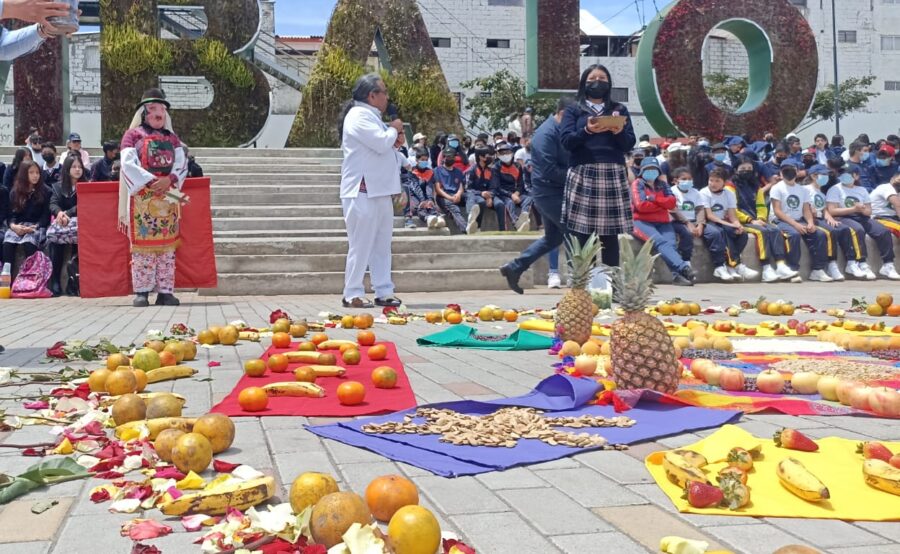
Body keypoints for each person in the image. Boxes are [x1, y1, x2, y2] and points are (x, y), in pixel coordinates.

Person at [337, 74, 405, 308]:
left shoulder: (372, 117)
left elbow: (386, 148)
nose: (387, 97)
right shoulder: (358, 115)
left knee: (382, 244)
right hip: (361, 191)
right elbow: (380, 142)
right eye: (384, 92)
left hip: (379, 191)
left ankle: (383, 290)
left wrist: (394, 136)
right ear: (372, 95)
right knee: (361, 244)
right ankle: (352, 292)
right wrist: (394, 129)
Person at [559, 64, 636, 267]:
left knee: (610, 234)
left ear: (609, 84)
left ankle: (612, 286)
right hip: (583, 171)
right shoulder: (574, 109)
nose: (597, 82)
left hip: (612, 171)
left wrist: (617, 129)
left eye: (602, 79)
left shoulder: (619, 109)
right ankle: (586, 287)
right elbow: (566, 141)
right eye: (592, 79)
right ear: (584, 83)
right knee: (583, 233)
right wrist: (587, 130)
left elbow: (629, 143)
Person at [120, 88, 189, 307]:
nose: (159, 113)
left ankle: (165, 291)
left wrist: (170, 180)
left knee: (167, 248)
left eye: (162, 109)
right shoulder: (133, 136)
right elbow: (127, 163)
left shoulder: (173, 138)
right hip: (143, 196)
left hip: (168, 195)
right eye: (153, 109)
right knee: (142, 249)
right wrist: (151, 181)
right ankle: (142, 291)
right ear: (144, 112)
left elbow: (182, 163)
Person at [500, 97, 576, 293]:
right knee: (574, 232)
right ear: (562, 114)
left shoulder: (558, 130)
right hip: (548, 193)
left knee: (552, 239)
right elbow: (550, 170)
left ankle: (515, 267)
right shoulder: (546, 134)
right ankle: (580, 282)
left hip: (554, 192)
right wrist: (577, 176)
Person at [826, 164, 899, 280]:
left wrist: (862, 209)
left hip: (861, 216)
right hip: (843, 217)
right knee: (858, 229)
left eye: (847, 174)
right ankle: (861, 262)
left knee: (883, 231)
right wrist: (853, 209)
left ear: (856, 176)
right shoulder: (835, 189)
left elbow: (869, 211)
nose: (843, 176)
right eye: (842, 174)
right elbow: (832, 210)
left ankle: (888, 264)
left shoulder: (861, 190)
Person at [629, 157, 694, 286]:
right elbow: (641, 205)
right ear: (642, 171)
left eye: (654, 169)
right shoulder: (638, 183)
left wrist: (653, 199)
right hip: (641, 221)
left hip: (662, 221)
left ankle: (677, 277)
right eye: (648, 169)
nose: (651, 172)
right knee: (660, 241)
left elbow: (672, 203)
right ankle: (683, 268)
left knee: (671, 244)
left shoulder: (662, 184)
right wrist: (662, 203)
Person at [733, 158, 799, 283]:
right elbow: (732, 209)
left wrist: (761, 218)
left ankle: (780, 265)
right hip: (740, 221)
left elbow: (761, 205)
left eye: (749, 169)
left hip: (757, 220)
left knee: (775, 230)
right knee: (761, 233)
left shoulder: (756, 186)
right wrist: (750, 220)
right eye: (743, 169)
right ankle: (766, 268)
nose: (746, 171)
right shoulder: (731, 186)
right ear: (736, 170)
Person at [769, 162, 832, 282]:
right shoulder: (777, 188)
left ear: (797, 172)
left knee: (819, 234)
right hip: (780, 220)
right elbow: (777, 211)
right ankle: (792, 269)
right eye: (786, 170)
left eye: (793, 169)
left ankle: (817, 270)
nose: (790, 172)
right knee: (794, 234)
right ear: (781, 173)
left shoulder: (802, 190)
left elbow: (806, 209)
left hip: (799, 220)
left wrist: (810, 223)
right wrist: (795, 224)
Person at [2, 161, 50, 281]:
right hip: (18, 226)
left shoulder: (46, 191)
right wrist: (14, 226)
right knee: (7, 243)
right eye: (31, 172)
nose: (35, 176)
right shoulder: (15, 191)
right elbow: (11, 215)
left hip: (36, 226)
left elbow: (45, 216)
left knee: (29, 242)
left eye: (37, 172)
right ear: (24, 174)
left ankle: (32, 280)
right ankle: (7, 280)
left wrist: (35, 227)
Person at [700, 167, 749, 282]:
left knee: (742, 234)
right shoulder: (704, 193)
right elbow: (710, 216)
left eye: (717, 181)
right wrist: (729, 225)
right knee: (719, 233)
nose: (713, 184)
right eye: (711, 180)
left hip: (723, 222)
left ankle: (730, 265)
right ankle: (728, 265)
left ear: (724, 182)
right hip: (709, 222)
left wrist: (737, 225)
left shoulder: (729, 194)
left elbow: (732, 215)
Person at [803, 165, 849, 281]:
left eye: (827, 175)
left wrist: (831, 219)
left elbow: (824, 210)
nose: (826, 177)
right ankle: (827, 265)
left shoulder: (821, 192)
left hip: (820, 218)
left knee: (839, 228)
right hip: (810, 219)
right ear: (814, 176)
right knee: (828, 232)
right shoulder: (806, 189)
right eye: (823, 175)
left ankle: (838, 263)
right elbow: (805, 206)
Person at [47, 155, 85, 296]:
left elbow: (84, 204)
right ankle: (55, 281)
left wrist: (67, 213)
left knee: (81, 243)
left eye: (80, 167)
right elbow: (53, 203)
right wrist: (59, 213)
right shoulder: (58, 186)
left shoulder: (87, 185)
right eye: (74, 167)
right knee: (54, 242)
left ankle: (73, 283)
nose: (77, 170)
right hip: (63, 223)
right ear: (67, 169)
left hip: (81, 223)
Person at [669, 167, 708, 272]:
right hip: (677, 221)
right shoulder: (671, 191)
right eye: (684, 178)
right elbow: (673, 210)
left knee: (715, 233)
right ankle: (686, 261)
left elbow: (700, 209)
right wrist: (687, 223)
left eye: (689, 179)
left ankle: (720, 265)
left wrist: (700, 224)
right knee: (687, 233)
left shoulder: (696, 192)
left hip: (693, 220)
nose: (687, 181)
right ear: (676, 180)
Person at [465, 146, 505, 234]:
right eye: (487, 155)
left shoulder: (491, 170)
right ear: (481, 157)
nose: (490, 157)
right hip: (477, 195)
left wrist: (490, 196)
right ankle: (477, 228)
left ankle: (503, 231)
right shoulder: (471, 170)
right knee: (481, 202)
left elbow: (494, 186)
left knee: (500, 204)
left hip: (490, 195)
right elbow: (468, 189)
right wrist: (481, 193)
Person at [491, 141, 528, 231]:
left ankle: (524, 218)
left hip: (515, 193)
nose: (505, 155)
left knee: (529, 199)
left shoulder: (517, 166)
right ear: (498, 155)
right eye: (502, 153)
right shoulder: (496, 167)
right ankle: (516, 224)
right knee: (509, 202)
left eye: (507, 152)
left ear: (512, 153)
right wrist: (511, 195)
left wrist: (516, 193)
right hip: (502, 194)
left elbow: (521, 184)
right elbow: (497, 188)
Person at [407, 148, 443, 229]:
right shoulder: (412, 172)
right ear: (417, 160)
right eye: (422, 159)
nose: (424, 162)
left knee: (431, 206)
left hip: (426, 196)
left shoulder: (430, 172)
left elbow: (429, 186)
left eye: (426, 160)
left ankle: (437, 218)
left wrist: (430, 199)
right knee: (419, 207)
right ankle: (428, 219)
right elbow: (415, 187)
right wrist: (422, 200)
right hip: (415, 196)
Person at [434, 146, 467, 232]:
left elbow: (461, 186)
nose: (450, 158)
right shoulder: (437, 170)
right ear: (444, 158)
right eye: (448, 156)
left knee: (471, 197)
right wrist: (450, 198)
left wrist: (458, 194)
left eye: (452, 156)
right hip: (444, 196)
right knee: (454, 209)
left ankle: (473, 218)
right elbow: (438, 189)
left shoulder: (458, 172)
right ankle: (466, 228)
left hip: (456, 195)